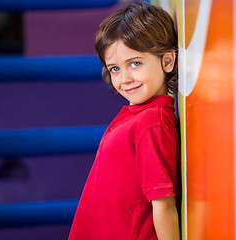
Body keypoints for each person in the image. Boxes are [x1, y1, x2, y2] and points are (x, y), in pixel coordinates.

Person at [68, 2, 180, 239]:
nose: (124, 78)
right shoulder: (139, 116)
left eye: (135, 63)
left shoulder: (152, 124)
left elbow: (164, 206)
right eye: (115, 69)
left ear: (168, 61)